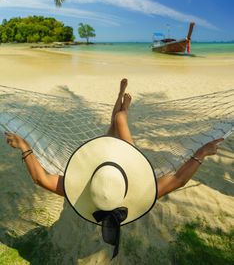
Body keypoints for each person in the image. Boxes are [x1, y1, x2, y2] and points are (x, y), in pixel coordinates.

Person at [4, 79, 224, 199]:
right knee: (118, 124)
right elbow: (178, 179)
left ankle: (119, 106)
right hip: (124, 166)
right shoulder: (143, 191)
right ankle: (122, 112)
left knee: (111, 132)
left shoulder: (79, 189)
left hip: (106, 167)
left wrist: (24, 145)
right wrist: (201, 152)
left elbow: (40, 179)